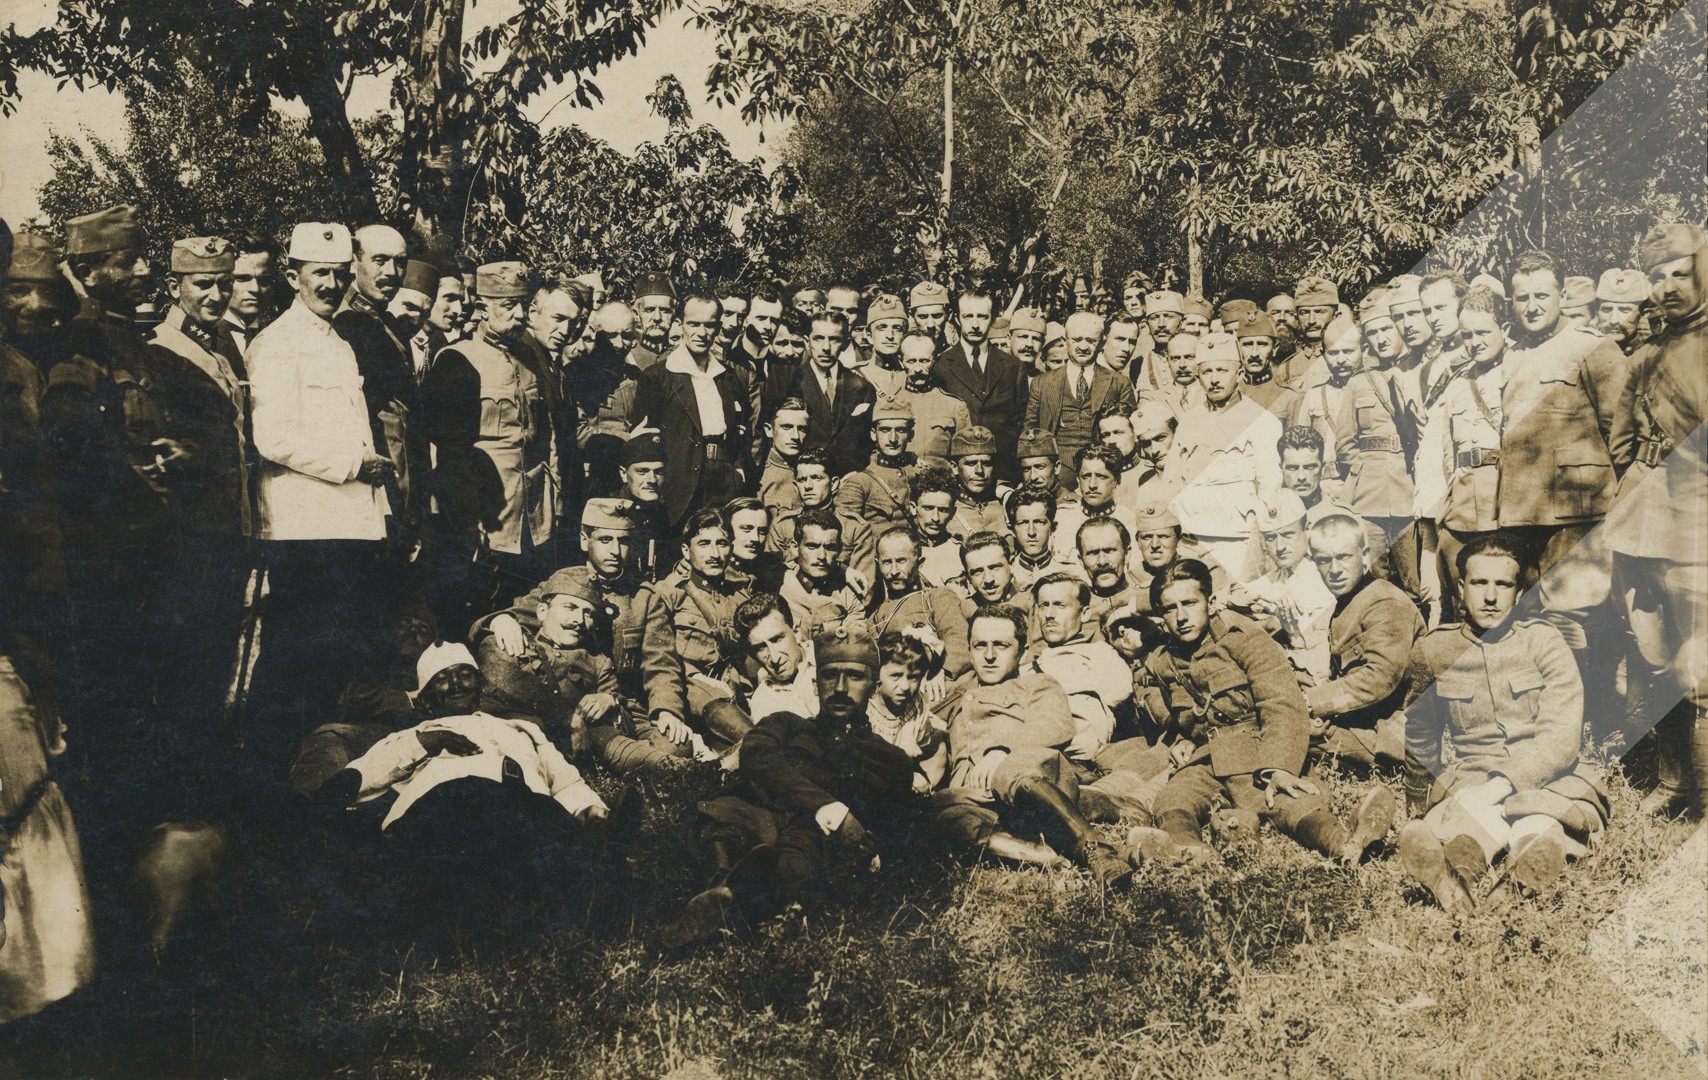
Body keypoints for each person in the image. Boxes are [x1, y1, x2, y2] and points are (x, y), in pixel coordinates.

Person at [661, 620, 922, 948]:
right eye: (830, 675)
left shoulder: (890, 759)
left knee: (802, 860)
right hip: (759, 822)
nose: (841, 688)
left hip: (813, 847)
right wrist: (832, 809)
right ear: (815, 683)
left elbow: (897, 826)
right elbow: (757, 756)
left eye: (855, 676)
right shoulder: (786, 723)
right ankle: (719, 892)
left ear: (873, 686)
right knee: (726, 813)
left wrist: (872, 850)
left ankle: (729, 906)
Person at [247, 222, 394, 770]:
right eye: (319, 274)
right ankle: (267, 772)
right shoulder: (276, 343)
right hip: (305, 529)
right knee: (292, 660)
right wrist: (355, 464)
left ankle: (315, 769)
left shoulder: (337, 342)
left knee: (333, 660)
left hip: (347, 526)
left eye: (339, 274)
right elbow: (271, 439)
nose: (331, 285)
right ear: (293, 277)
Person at [1133, 559, 1395, 866]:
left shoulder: (1244, 638)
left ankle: (1347, 842)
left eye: (1189, 603)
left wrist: (1279, 768)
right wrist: (1182, 740)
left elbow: (1281, 704)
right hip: (1208, 763)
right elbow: (1180, 716)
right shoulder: (1164, 662)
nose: (1181, 617)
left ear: (1211, 602)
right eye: (1170, 608)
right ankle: (1186, 850)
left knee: (1290, 803)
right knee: (1173, 798)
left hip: (1257, 755)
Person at [1398, 533, 1609, 915]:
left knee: (1538, 816)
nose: (1491, 596)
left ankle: (1516, 883)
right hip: (1473, 774)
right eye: (1479, 583)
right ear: (1461, 589)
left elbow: (1561, 736)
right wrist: (1418, 803)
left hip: (1552, 775)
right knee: (1475, 819)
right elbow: (1420, 734)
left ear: (1519, 593)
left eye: (1503, 585)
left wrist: (1499, 787)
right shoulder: (1434, 650)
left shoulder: (1544, 643)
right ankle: (1456, 879)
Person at [1604, 223, 1708, 817]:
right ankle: (1674, 781)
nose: (1667, 286)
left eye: (1680, 272)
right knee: (1656, 656)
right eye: (1656, 275)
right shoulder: (1644, 356)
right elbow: (1621, 444)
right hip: (1645, 521)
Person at [477, 499, 703, 758]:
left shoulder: (644, 598)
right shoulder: (564, 582)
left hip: (622, 705)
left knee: (676, 746)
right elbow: (518, 615)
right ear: (585, 541)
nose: (615, 551)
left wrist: (667, 711)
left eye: (624, 541)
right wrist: (502, 620)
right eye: (605, 540)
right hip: (566, 701)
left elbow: (661, 664)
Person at [946, 606, 1136, 886]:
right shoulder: (957, 698)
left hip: (1034, 782)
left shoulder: (1038, 685)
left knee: (1008, 770)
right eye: (980, 645)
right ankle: (1047, 854)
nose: (989, 655)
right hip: (983, 801)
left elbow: (1055, 725)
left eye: (1001, 645)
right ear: (969, 650)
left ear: (1022, 652)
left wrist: (1001, 750)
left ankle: (1098, 852)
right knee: (945, 815)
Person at [420, 261, 558, 631]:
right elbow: (447, 450)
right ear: (482, 308)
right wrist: (465, 517)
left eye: (523, 305)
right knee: (478, 609)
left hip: (532, 514)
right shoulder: (457, 359)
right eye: (508, 306)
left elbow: (545, 435)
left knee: (527, 606)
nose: (520, 315)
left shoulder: (531, 357)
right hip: (487, 512)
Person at [475, 567, 697, 774]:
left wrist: (609, 700)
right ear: (542, 611)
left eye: (588, 613)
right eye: (569, 607)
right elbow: (504, 685)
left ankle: (670, 764)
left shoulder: (598, 661)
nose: (578, 620)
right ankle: (676, 768)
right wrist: (569, 718)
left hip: (586, 742)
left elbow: (623, 707)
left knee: (674, 743)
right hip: (522, 733)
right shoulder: (515, 642)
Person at [1304, 506, 1422, 770]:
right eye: (1324, 560)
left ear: (1366, 555)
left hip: (1391, 733)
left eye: (1344, 557)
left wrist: (1312, 703)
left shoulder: (1386, 601)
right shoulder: (1352, 598)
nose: (1335, 569)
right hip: (1364, 717)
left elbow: (1379, 679)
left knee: (1291, 730)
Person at [628, 294, 751, 530]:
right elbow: (644, 441)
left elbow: (742, 433)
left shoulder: (729, 378)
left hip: (723, 485)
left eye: (709, 325)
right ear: (680, 324)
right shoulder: (657, 378)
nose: (701, 333)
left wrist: (739, 473)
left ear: (718, 328)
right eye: (694, 324)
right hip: (678, 488)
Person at [1418, 286, 1507, 614]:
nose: (1475, 342)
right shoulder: (1456, 382)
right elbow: (1445, 451)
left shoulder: (1516, 371)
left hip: (1501, 502)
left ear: (1503, 328)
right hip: (1463, 504)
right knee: (1460, 591)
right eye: (1467, 334)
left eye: (1483, 332)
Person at [1170, 332, 1282, 584]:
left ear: (1239, 374)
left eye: (1222, 370)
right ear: (1198, 376)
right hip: (1193, 540)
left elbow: (1270, 487)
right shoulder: (1189, 421)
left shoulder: (1262, 421)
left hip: (1237, 538)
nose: (1214, 379)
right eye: (1207, 372)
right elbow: (1173, 479)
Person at [1025, 310, 1137, 492]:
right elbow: (1030, 431)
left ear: (1102, 343)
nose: (1083, 347)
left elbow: (1129, 434)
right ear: (1065, 340)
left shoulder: (1119, 383)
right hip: (1057, 475)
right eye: (1077, 340)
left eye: (1091, 341)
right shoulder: (1042, 383)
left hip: (1102, 473)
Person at [764, 310, 876, 478]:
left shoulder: (862, 387)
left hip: (849, 480)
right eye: (818, 338)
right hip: (800, 478)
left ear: (845, 343)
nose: (826, 348)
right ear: (807, 341)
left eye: (834, 339)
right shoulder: (789, 382)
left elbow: (866, 443)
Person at [934, 288, 1027, 482]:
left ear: (992, 319)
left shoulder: (1013, 366)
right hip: (958, 475)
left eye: (982, 317)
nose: (975, 325)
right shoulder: (941, 365)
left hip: (1003, 473)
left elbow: (1021, 423)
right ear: (957, 319)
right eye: (968, 316)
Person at [869, 629, 950, 793]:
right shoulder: (866, 708)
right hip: (870, 775)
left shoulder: (915, 706)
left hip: (904, 767)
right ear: (877, 673)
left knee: (940, 744)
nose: (905, 686)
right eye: (895, 676)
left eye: (914, 677)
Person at [778, 508, 869, 640]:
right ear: (795, 548)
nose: (821, 556)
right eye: (812, 546)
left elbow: (854, 641)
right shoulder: (778, 581)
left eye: (830, 547)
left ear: (839, 550)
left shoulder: (847, 593)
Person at [836, 398, 920, 527]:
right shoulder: (860, 482)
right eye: (885, 430)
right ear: (873, 434)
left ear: (910, 435)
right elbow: (846, 531)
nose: (893, 438)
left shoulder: (919, 474)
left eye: (900, 430)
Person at [895, 331, 970, 466]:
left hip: (941, 477)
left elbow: (966, 456)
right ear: (901, 362)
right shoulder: (891, 403)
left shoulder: (954, 406)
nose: (918, 369)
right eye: (911, 361)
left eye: (924, 361)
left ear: (935, 361)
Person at [1009, 484, 1082, 592]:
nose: (1031, 532)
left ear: (1053, 528)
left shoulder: (1072, 573)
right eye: (1023, 523)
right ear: (1012, 530)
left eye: (1039, 522)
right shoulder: (1007, 573)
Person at [947, 426, 1011, 540]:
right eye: (971, 464)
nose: (980, 471)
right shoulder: (946, 509)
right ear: (954, 467)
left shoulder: (1006, 503)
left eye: (986, 464)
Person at [1235, 310, 1298, 423]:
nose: (1254, 353)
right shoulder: (1229, 391)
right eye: (1248, 344)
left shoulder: (1289, 395)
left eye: (1262, 344)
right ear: (1238, 348)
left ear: (1274, 349)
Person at [1593, 267, 1651, 353]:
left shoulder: (1652, 355)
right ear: (1597, 313)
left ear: (1641, 314)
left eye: (1624, 310)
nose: (1613, 320)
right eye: (1606, 310)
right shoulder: (1584, 353)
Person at [628, 271, 676, 369]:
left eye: (665, 310)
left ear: (674, 314)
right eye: (649, 310)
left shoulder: (683, 356)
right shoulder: (628, 357)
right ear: (637, 313)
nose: (657, 317)